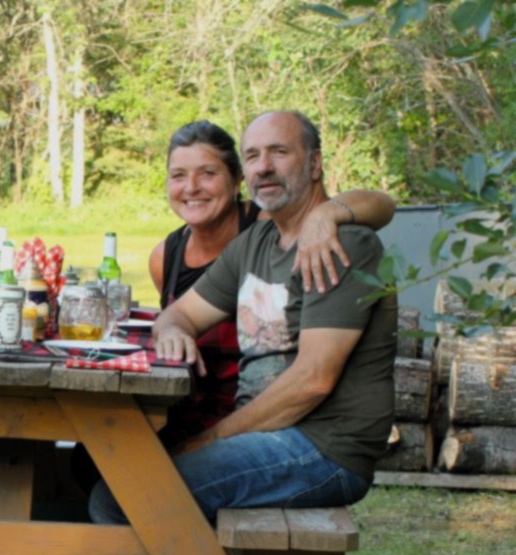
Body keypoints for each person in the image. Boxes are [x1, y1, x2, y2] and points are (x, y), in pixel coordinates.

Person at [90, 110, 397, 555]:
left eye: (278, 153)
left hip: (322, 447)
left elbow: (312, 381)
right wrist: (176, 331)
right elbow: (179, 312)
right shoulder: (256, 244)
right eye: (253, 155)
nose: (264, 167)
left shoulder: (341, 244)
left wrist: (210, 440)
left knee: (124, 496)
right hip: (275, 438)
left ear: (315, 163)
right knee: (117, 487)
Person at [148, 120, 396, 449]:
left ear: (236, 181)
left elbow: (382, 204)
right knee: (99, 461)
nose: (192, 187)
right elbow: (179, 314)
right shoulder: (238, 245)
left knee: (132, 484)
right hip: (223, 414)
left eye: (207, 173)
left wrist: (327, 214)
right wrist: (172, 329)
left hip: (286, 431)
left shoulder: (301, 233)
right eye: (178, 175)